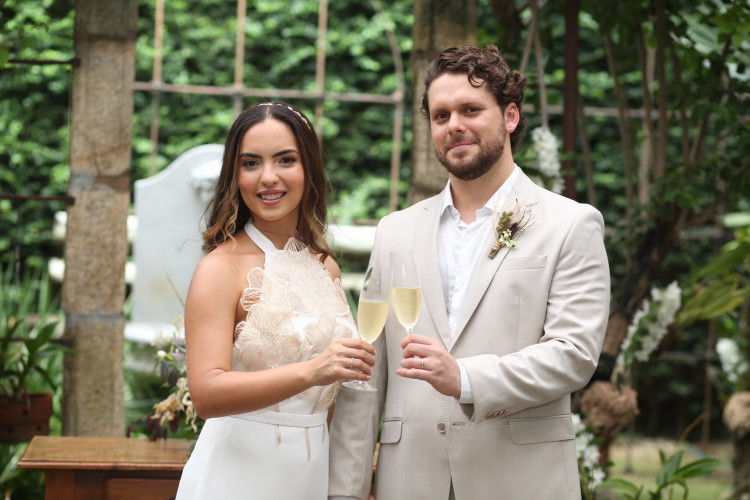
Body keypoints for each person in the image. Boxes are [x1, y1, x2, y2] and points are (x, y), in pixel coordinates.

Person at [328, 45, 610, 500]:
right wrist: (344, 491)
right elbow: (366, 374)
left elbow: (573, 353)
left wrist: (466, 378)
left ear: (510, 116)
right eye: (441, 116)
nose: (454, 125)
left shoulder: (571, 224)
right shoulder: (394, 231)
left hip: (521, 480)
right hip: (411, 480)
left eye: (471, 109)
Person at [175, 101, 376, 500]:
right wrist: (312, 371)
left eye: (285, 160)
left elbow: (334, 398)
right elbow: (206, 394)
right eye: (251, 163)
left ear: (309, 169)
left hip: (312, 476)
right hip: (237, 476)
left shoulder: (325, 267)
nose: (268, 178)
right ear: (235, 174)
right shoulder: (220, 268)